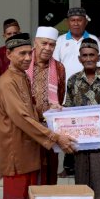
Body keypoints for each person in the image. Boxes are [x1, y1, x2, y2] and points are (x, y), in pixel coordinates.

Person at [0, 33, 76, 199]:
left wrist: (48, 111)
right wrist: (55, 137)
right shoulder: (7, 82)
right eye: (21, 53)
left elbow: (29, 111)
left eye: (29, 53)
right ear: (8, 54)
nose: (27, 58)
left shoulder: (21, 77)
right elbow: (21, 117)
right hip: (16, 150)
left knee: (28, 197)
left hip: (29, 148)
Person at [54, 8, 100, 178]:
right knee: (71, 127)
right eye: (73, 20)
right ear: (68, 22)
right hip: (69, 89)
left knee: (93, 130)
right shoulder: (60, 41)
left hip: (93, 87)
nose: (76, 23)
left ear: (85, 21)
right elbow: (55, 67)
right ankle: (69, 166)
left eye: (79, 20)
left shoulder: (93, 40)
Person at [64, 37, 100, 199]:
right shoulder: (73, 80)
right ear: (79, 59)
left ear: (98, 57)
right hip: (80, 135)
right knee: (82, 169)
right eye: (85, 55)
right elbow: (68, 105)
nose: (89, 58)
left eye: (92, 55)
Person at [28, 26, 66, 185]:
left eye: (52, 45)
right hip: (28, 126)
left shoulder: (58, 68)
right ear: (35, 43)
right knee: (30, 167)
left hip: (50, 127)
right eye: (44, 43)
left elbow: (60, 95)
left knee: (50, 167)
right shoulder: (24, 64)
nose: (47, 48)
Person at [0, 18, 20, 82]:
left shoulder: (26, 51)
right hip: (4, 87)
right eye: (9, 34)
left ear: (20, 33)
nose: (12, 36)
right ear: (4, 36)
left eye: (15, 33)